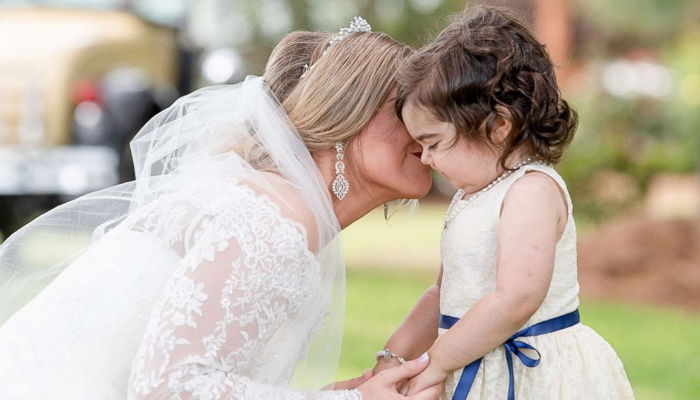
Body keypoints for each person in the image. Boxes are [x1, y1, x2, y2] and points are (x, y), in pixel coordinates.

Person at [0, 17, 442, 400]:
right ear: (344, 118)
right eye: (405, 107)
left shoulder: (272, 206)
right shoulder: (272, 221)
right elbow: (166, 387)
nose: (428, 126)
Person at [372, 6, 636, 400]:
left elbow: (516, 299)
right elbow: (439, 294)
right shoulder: (472, 195)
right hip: (473, 362)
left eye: (433, 142)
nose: (425, 158)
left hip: (532, 376)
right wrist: (394, 358)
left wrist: (439, 362)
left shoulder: (530, 190)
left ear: (498, 125)